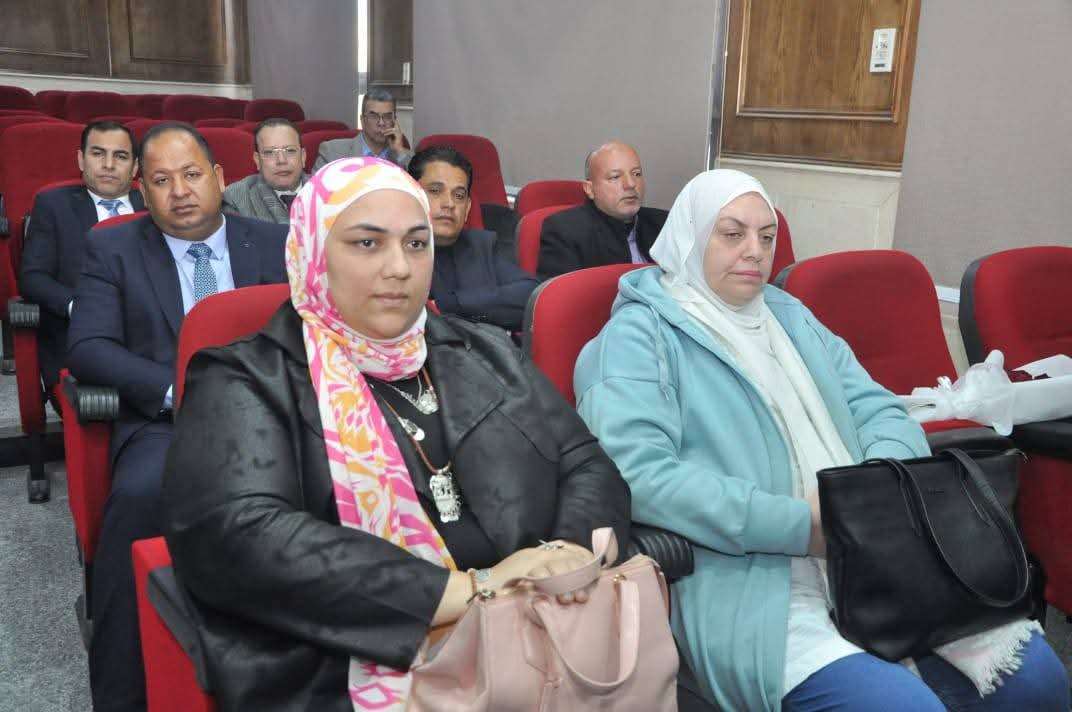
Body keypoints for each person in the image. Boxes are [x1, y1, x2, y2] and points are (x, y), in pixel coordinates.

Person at [573, 169, 1069, 711]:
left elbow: (879, 408)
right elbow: (641, 475)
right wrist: (802, 523)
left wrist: (875, 492)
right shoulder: (636, 338)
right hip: (749, 578)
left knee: (1038, 680)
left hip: (877, 551)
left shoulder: (788, 315)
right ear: (690, 238)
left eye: (766, 237)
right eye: (732, 234)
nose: (755, 252)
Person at [161, 157, 631, 710]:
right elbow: (239, 534)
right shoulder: (245, 376)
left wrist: (562, 557)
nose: (400, 268)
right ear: (313, 252)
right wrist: (475, 589)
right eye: (367, 243)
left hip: (541, 633)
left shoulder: (485, 352)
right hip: (347, 661)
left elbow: (585, 462)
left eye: (416, 243)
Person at [68, 122, 288, 712]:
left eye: (191, 175)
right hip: (167, 422)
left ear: (218, 177)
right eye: (162, 180)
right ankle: (123, 693)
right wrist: (173, 389)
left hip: (272, 413)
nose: (180, 191)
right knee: (140, 497)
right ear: (142, 190)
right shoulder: (112, 248)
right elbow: (88, 346)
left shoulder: (275, 242)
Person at [19, 120, 144, 394]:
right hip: (81, 339)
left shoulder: (154, 206)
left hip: (152, 342)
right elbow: (33, 277)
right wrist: (78, 306)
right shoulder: (54, 205)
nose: (108, 164)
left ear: (135, 167)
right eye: (98, 153)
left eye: (120, 156)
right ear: (81, 159)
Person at [408, 145, 538, 332]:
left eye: (459, 196)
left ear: (468, 208)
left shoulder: (480, 245)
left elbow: (532, 294)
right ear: (410, 196)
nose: (449, 203)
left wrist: (452, 303)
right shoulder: (393, 252)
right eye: (435, 191)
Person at [537, 140, 667, 279]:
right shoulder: (564, 231)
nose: (630, 184)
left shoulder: (665, 223)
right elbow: (561, 291)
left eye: (637, 174)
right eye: (615, 177)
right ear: (589, 189)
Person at [222, 117, 307, 223]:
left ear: (303, 157)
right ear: (257, 160)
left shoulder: (326, 189)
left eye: (290, 150)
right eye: (269, 152)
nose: (281, 160)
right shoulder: (235, 198)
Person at [314, 88, 412, 170]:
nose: (381, 123)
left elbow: (417, 184)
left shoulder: (406, 157)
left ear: (394, 121)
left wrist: (399, 151)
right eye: (374, 116)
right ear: (362, 120)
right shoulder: (332, 152)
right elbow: (313, 185)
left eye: (387, 117)